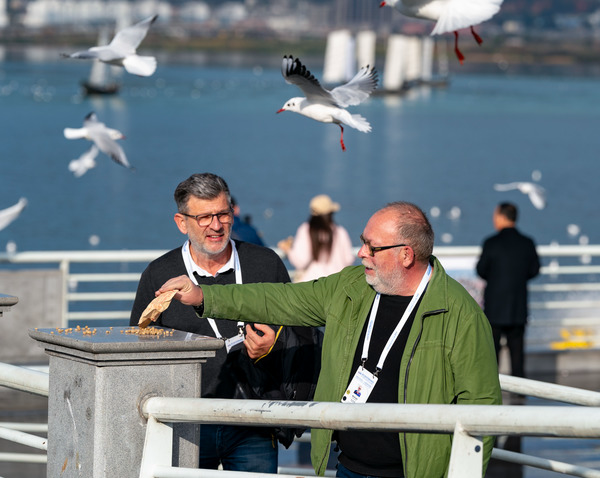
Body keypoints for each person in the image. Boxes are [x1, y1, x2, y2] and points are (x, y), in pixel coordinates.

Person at [158, 201, 502, 478]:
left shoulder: (458, 314)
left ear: (406, 255)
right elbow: (280, 300)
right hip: (348, 467)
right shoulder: (351, 287)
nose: (360, 253)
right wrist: (205, 296)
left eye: (371, 246)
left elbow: (482, 409)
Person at [130, 173, 320, 473]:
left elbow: (300, 330)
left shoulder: (264, 263)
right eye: (204, 217)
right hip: (186, 420)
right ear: (182, 222)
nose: (216, 225)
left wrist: (273, 345)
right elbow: (139, 349)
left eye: (222, 213)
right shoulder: (159, 273)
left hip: (254, 417)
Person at [476, 202, 540, 379]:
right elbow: (534, 269)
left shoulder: (491, 243)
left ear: (502, 217)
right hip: (517, 306)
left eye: (495, 215)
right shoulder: (527, 243)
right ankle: (520, 392)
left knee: (491, 354)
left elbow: (481, 270)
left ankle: (491, 389)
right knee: (517, 353)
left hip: (495, 307)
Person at [277, 194, 355, 282]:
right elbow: (349, 259)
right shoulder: (340, 232)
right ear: (330, 213)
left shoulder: (306, 230)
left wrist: (288, 250)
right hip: (336, 283)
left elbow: (301, 261)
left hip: (311, 285)